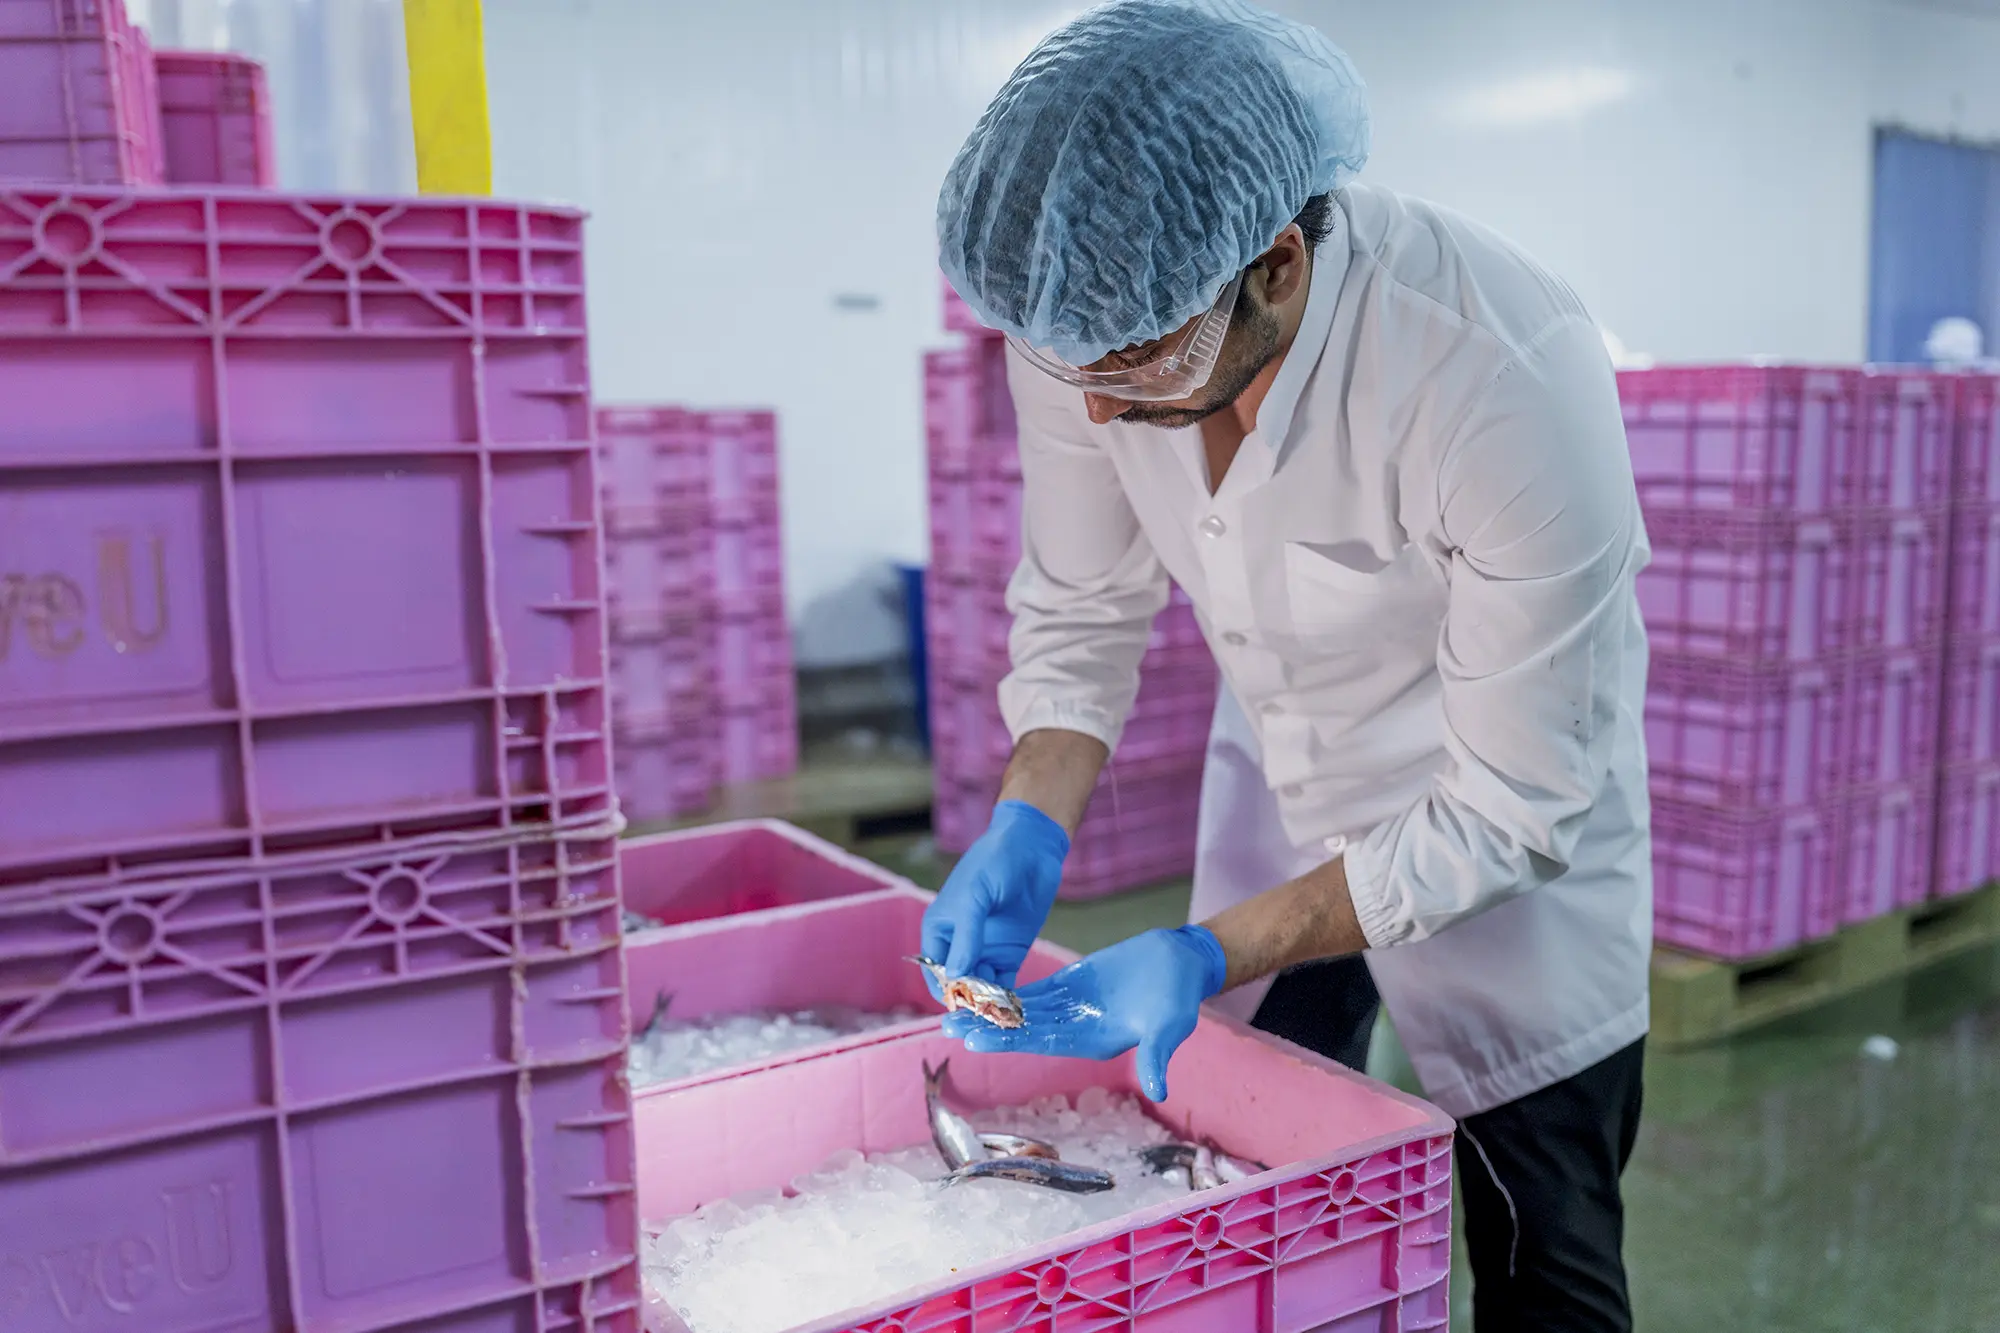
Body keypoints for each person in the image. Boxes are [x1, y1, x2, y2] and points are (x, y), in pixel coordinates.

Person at [920, 3, 1652, 1330]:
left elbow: (1509, 809)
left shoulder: (1503, 372)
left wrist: (1204, 949)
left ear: (1275, 264)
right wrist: (1029, 817)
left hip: (1496, 814)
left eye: (1134, 366)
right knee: (1258, 1194)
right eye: (1073, 368)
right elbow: (1083, 603)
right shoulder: (1099, 323)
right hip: (1289, 777)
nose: (1098, 407)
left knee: (1546, 1245)